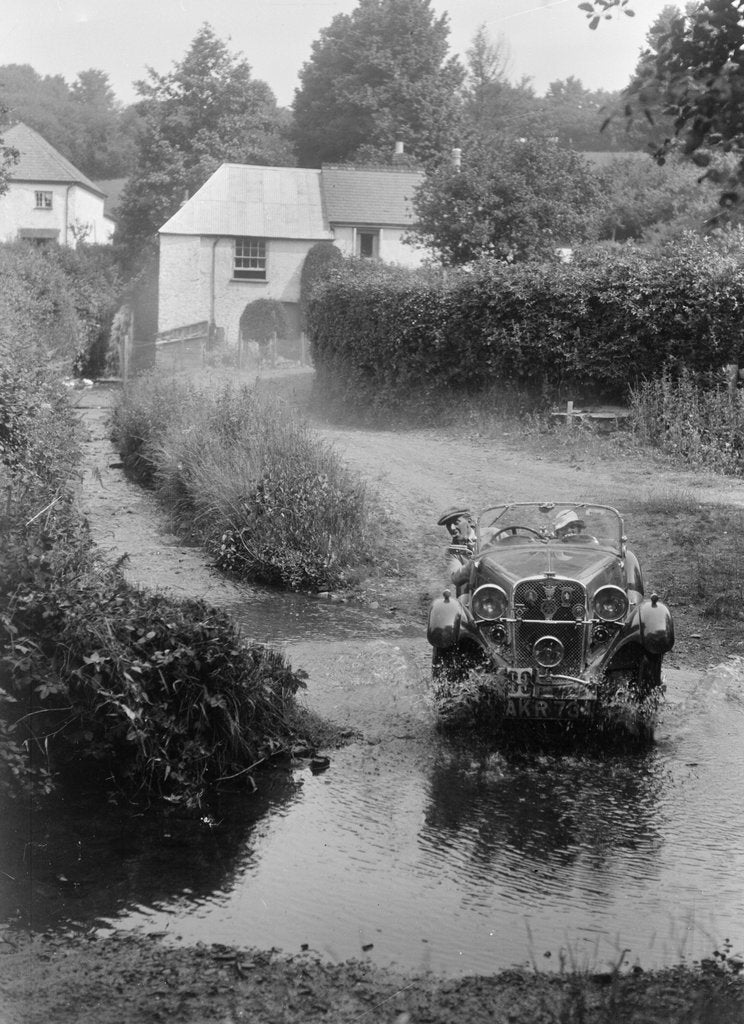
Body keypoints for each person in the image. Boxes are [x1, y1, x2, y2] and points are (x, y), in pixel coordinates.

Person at [437, 506, 476, 595]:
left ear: (469, 521)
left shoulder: (493, 534)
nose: (452, 528)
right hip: (473, 594)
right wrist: (472, 564)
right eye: (448, 525)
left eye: (456, 522)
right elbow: (456, 578)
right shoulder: (452, 551)